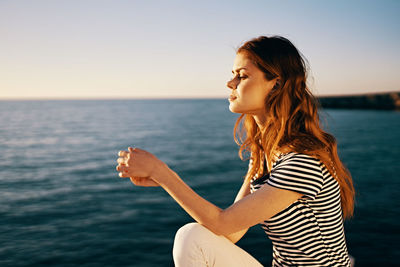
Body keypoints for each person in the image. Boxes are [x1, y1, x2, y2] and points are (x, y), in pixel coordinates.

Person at [115, 35, 355, 267]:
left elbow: (223, 223)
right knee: (193, 237)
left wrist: (161, 173)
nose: (231, 83)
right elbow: (232, 232)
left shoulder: (302, 160)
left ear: (277, 84)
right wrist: (162, 180)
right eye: (233, 76)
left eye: (242, 76)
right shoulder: (266, 154)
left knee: (190, 237)